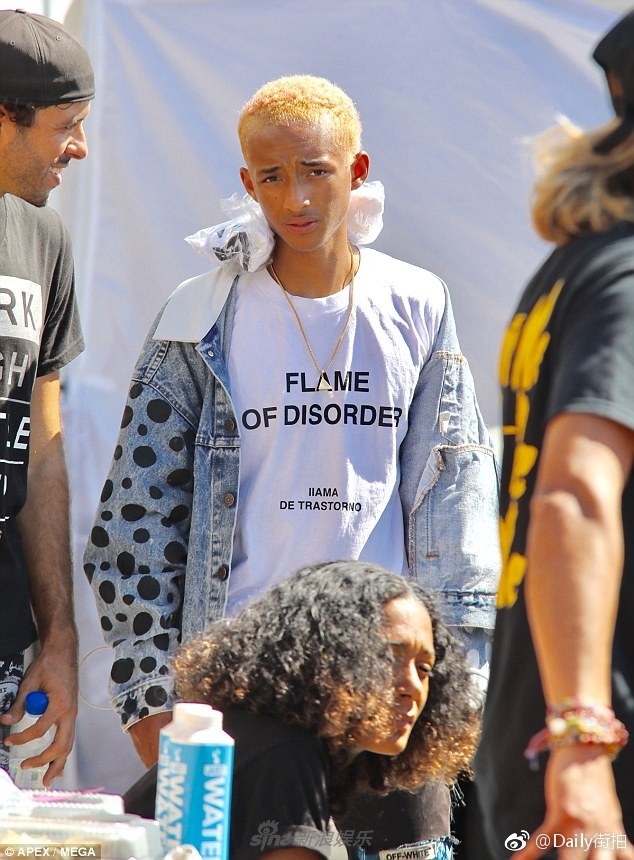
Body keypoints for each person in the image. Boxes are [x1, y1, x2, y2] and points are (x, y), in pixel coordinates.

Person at [83, 74, 499, 855]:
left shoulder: (417, 301)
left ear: (357, 170)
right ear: (248, 183)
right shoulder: (202, 312)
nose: (296, 197)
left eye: (316, 171)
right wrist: (148, 695)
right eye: (272, 177)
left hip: (386, 683)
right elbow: (135, 519)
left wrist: (457, 684)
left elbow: (457, 501)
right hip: (244, 680)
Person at [473, 11, 634, 859]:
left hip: (541, 733)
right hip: (597, 760)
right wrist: (582, 741)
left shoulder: (582, 263)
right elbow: (570, 498)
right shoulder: (625, 277)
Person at [125, 560, 481, 860]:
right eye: (389, 658)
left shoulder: (276, 741)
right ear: (328, 653)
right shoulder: (287, 754)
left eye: (424, 669)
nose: (412, 686)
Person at [0, 9, 94, 785]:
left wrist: (58, 639)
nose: (80, 147)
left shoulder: (45, 237)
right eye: (66, 125)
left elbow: (42, 451)